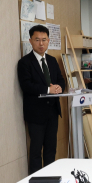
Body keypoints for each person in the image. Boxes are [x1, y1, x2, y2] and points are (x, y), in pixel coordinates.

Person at [18, 25, 66, 174]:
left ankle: (51, 177)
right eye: (37, 40)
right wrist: (47, 90)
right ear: (30, 41)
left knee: (51, 148)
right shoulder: (24, 62)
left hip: (52, 111)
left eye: (44, 40)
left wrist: (58, 88)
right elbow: (26, 85)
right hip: (36, 113)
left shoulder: (52, 60)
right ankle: (36, 182)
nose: (41, 44)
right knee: (36, 150)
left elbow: (60, 80)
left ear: (48, 41)